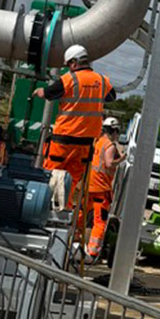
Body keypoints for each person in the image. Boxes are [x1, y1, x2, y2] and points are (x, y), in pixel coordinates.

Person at [34, 44, 115, 189]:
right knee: (73, 180)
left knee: (51, 176)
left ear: (74, 62)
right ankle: (65, 208)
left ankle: (44, 205)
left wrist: (39, 91)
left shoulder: (68, 79)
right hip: (86, 143)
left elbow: (47, 93)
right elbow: (111, 96)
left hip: (63, 140)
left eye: (69, 65)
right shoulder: (102, 81)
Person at [85, 117, 123, 261]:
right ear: (114, 131)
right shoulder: (110, 146)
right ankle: (93, 253)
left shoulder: (98, 141)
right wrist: (122, 159)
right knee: (100, 221)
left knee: (82, 214)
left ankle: (74, 243)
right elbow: (109, 163)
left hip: (90, 185)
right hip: (101, 188)